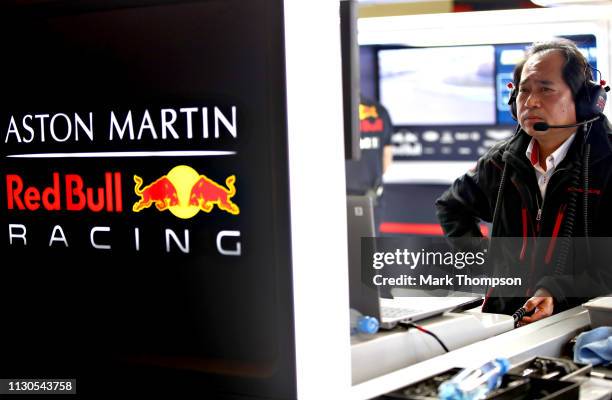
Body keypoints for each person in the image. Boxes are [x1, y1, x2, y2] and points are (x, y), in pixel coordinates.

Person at [435, 38, 612, 325]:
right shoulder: (501, 161)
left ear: (585, 102)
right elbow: (451, 207)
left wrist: (557, 291)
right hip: (504, 321)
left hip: (581, 325)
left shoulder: (606, 164)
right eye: (524, 90)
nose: (530, 101)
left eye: (545, 89)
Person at [346, 95, 394, 234]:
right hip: (369, 200)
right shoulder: (379, 111)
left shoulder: (330, 110)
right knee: (362, 252)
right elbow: (386, 159)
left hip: (336, 199)